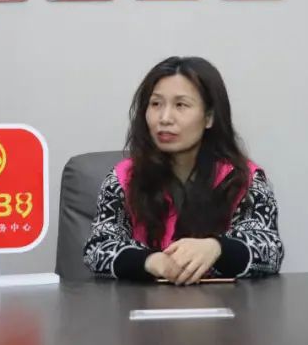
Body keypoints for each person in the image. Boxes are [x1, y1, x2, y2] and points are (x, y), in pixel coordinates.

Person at [84, 56, 284, 283]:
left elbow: (269, 249)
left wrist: (216, 248)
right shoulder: (124, 178)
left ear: (209, 117)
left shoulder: (243, 179)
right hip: (143, 302)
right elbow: (97, 248)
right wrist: (151, 262)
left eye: (181, 105)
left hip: (223, 302)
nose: (165, 118)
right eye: (156, 104)